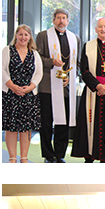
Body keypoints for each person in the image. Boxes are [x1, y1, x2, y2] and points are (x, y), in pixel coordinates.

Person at [72, 16, 105, 162]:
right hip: (92, 90)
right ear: (96, 29)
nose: (103, 29)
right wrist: (97, 86)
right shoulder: (87, 46)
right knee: (90, 123)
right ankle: (89, 155)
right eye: (100, 27)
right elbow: (83, 70)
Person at [35, 8, 80, 162]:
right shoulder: (42, 36)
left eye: (64, 18)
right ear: (53, 20)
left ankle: (60, 154)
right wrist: (51, 62)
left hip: (66, 88)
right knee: (46, 124)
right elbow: (37, 58)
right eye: (58, 18)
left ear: (68, 21)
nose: (61, 21)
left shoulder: (75, 39)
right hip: (47, 87)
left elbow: (78, 63)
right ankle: (48, 154)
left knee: (63, 123)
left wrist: (71, 77)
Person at [2, 24, 43, 163]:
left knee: (26, 129)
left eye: (26, 35)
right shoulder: (7, 50)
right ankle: (12, 157)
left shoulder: (34, 53)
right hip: (10, 94)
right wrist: (12, 86)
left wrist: (30, 87)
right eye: (21, 34)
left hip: (28, 95)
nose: (23, 37)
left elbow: (39, 73)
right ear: (16, 36)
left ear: (30, 37)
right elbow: (0, 70)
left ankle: (24, 157)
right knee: (11, 127)